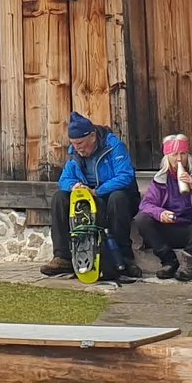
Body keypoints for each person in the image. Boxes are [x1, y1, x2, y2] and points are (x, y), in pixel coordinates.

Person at [44, 112, 139, 280]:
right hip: (90, 198)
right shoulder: (74, 153)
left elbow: (125, 176)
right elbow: (64, 179)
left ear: (93, 137)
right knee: (59, 197)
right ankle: (63, 256)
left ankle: (124, 257)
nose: (77, 148)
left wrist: (98, 191)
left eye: (80, 143)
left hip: (117, 198)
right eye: (74, 143)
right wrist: (75, 187)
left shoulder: (114, 146)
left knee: (117, 198)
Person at [136, 135, 192, 280]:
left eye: (183, 154)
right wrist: (160, 213)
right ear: (167, 157)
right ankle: (169, 260)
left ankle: (189, 261)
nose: (179, 159)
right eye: (174, 154)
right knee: (142, 219)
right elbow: (145, 205)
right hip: (170, 230)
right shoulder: (161, 179)